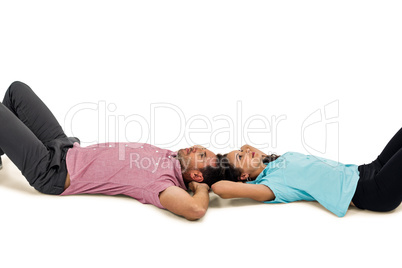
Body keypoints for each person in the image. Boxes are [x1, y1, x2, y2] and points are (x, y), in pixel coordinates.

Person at [0, 81, 222, 221]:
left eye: (200, 155)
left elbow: (195, 210)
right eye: (202, 148)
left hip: (51, 171)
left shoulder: (163, 184)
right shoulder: (169, 156)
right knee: (16, 91)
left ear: (196, 175)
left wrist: (201, 189)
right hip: (64, 146)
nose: (196, 148)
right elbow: (232, 168)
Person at [212, 135, 402, 217]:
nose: (245, 151)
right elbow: (220, 188)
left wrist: (240, 154)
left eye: (241, 151)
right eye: (240, 156)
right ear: (244, 177)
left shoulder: (276, 162)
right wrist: (204, 183)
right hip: (371, 192)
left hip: (368, 170)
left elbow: (248, 147)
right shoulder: (270, 186)